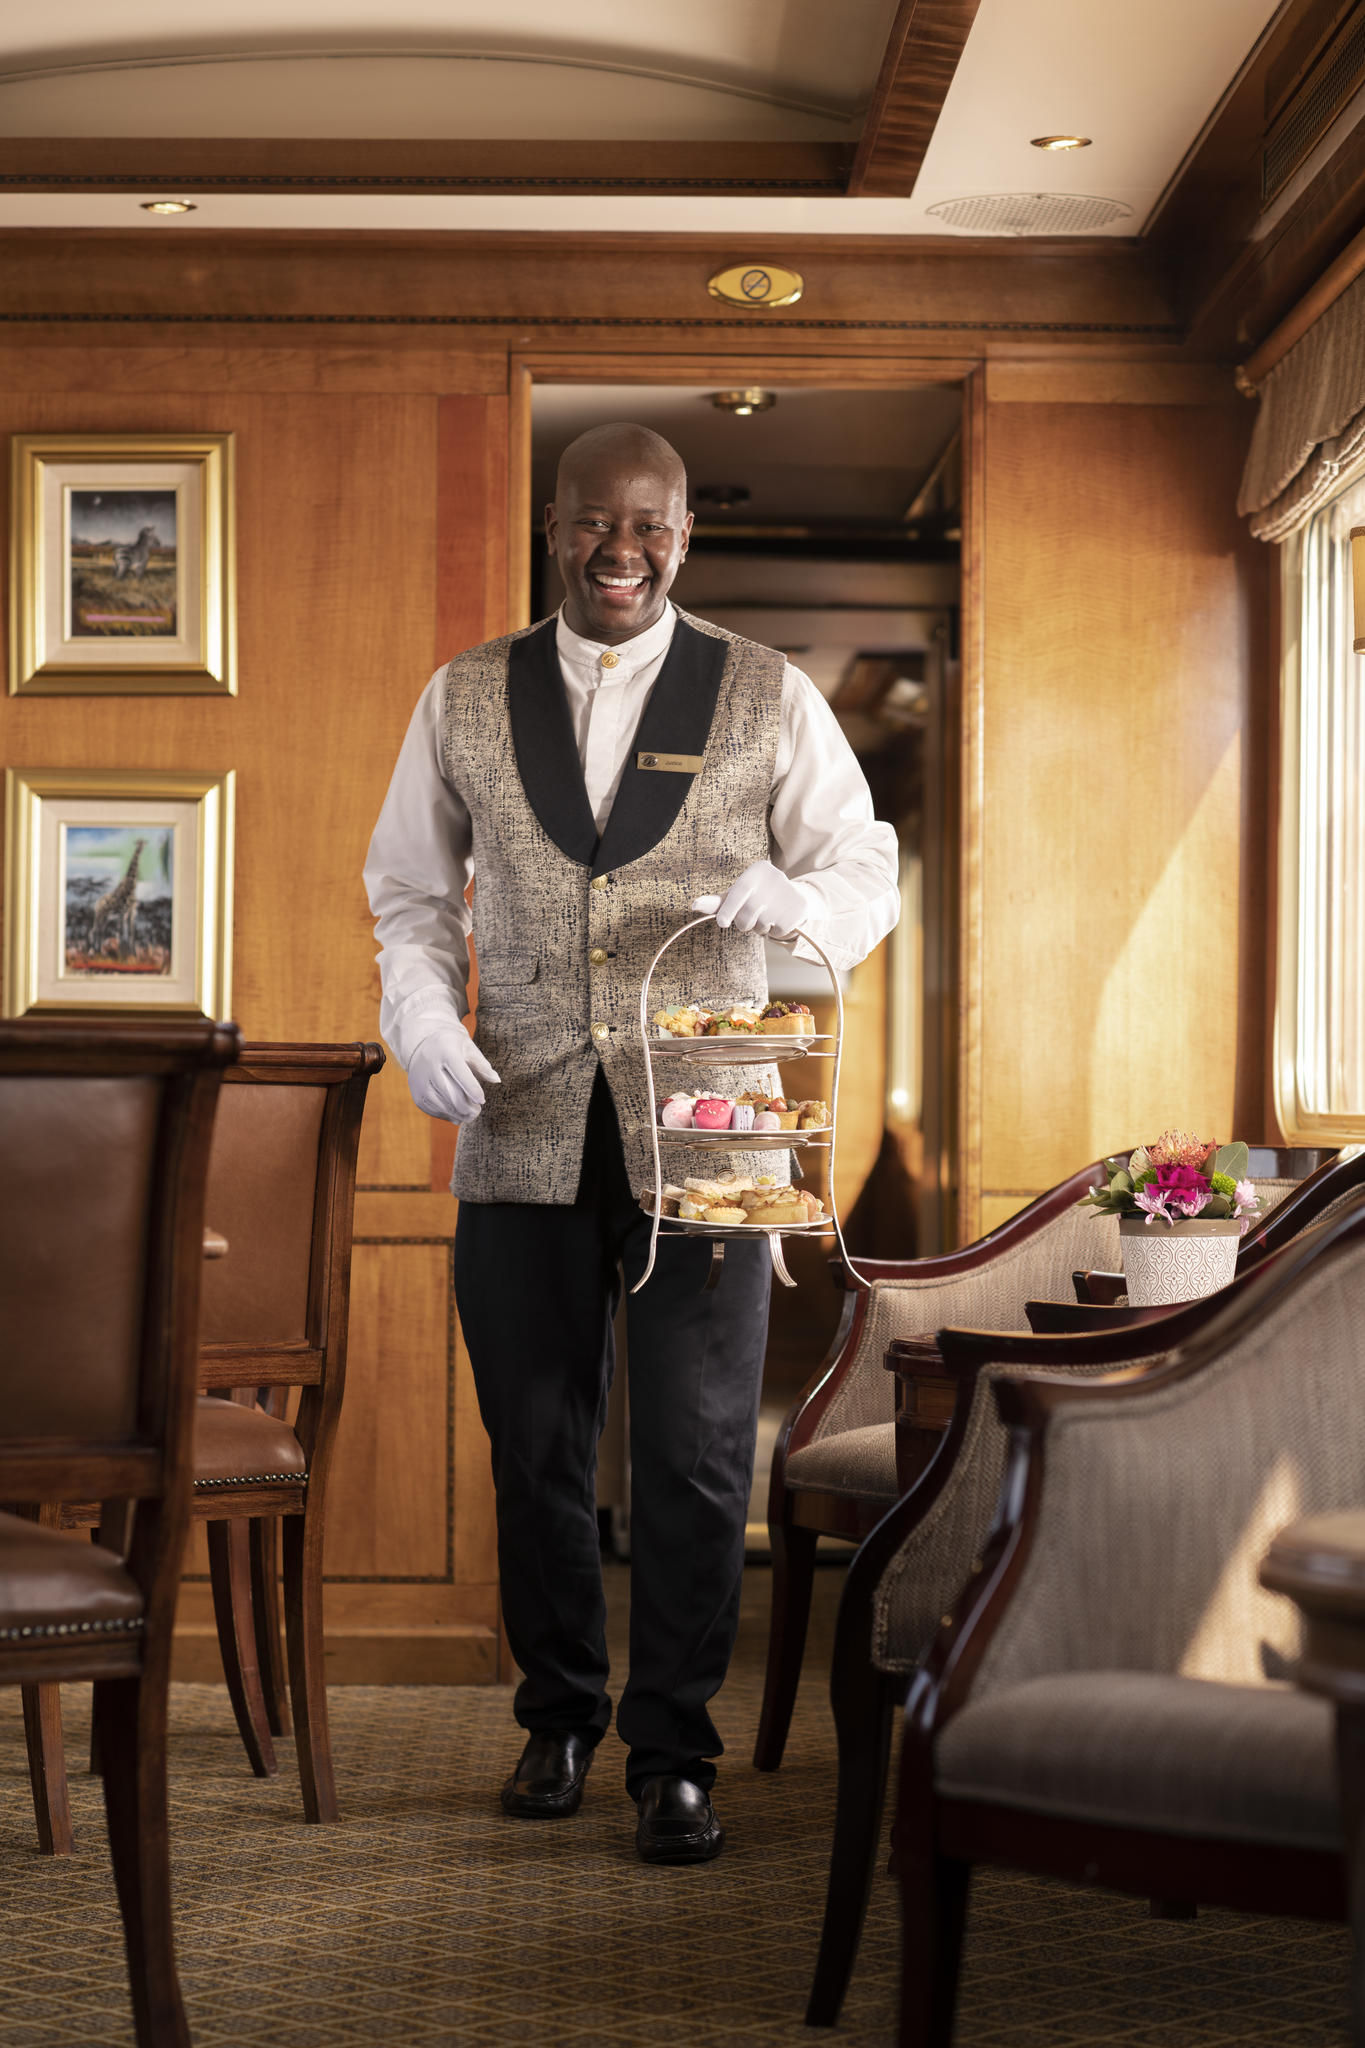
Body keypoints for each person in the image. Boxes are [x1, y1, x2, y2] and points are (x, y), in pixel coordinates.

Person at [364, 422, 899, 1864]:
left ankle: (673, 1751)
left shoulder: (765, 690)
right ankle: (557, 1717)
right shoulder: (465, 693)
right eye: (595, 521)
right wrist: (417, 1021)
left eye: (649, 525)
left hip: (708, 1129)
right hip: (517, 1116)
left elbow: (863, 861)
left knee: (697, 1452)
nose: (621, 547)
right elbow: (408, 894)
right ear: (554, 525)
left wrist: (805, 912)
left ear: (683, 535)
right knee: (535, 1445)